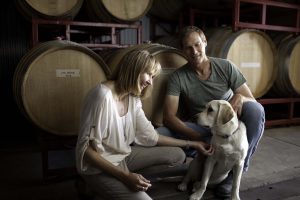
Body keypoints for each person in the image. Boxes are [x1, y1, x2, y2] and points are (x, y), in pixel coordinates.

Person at [75, 49, 213, 200]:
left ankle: (127, 183)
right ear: (134, 69)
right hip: (98, 168)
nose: (150, 82)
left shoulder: (132, 98)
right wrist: (125, 176)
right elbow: (86, 151)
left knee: (177, 154)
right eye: (148, 74)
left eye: (153, 77)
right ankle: (98, 184)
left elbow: (151, 136)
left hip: (123, 156)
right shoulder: (102, 96)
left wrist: (192, 144)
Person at [157, 26, 265, 198]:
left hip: (228, 128)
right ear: (182, 51)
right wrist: (197, 138)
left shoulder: (226, 67)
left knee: (256, 110)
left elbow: (252, 100)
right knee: (159, 133)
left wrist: (241, 98)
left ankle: (234, 172)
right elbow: (169, 117)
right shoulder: (178, 77)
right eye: (188, 47)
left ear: (205, 42)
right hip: (201, 128)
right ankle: (202, 153)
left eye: (197, 45)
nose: (194, 51)